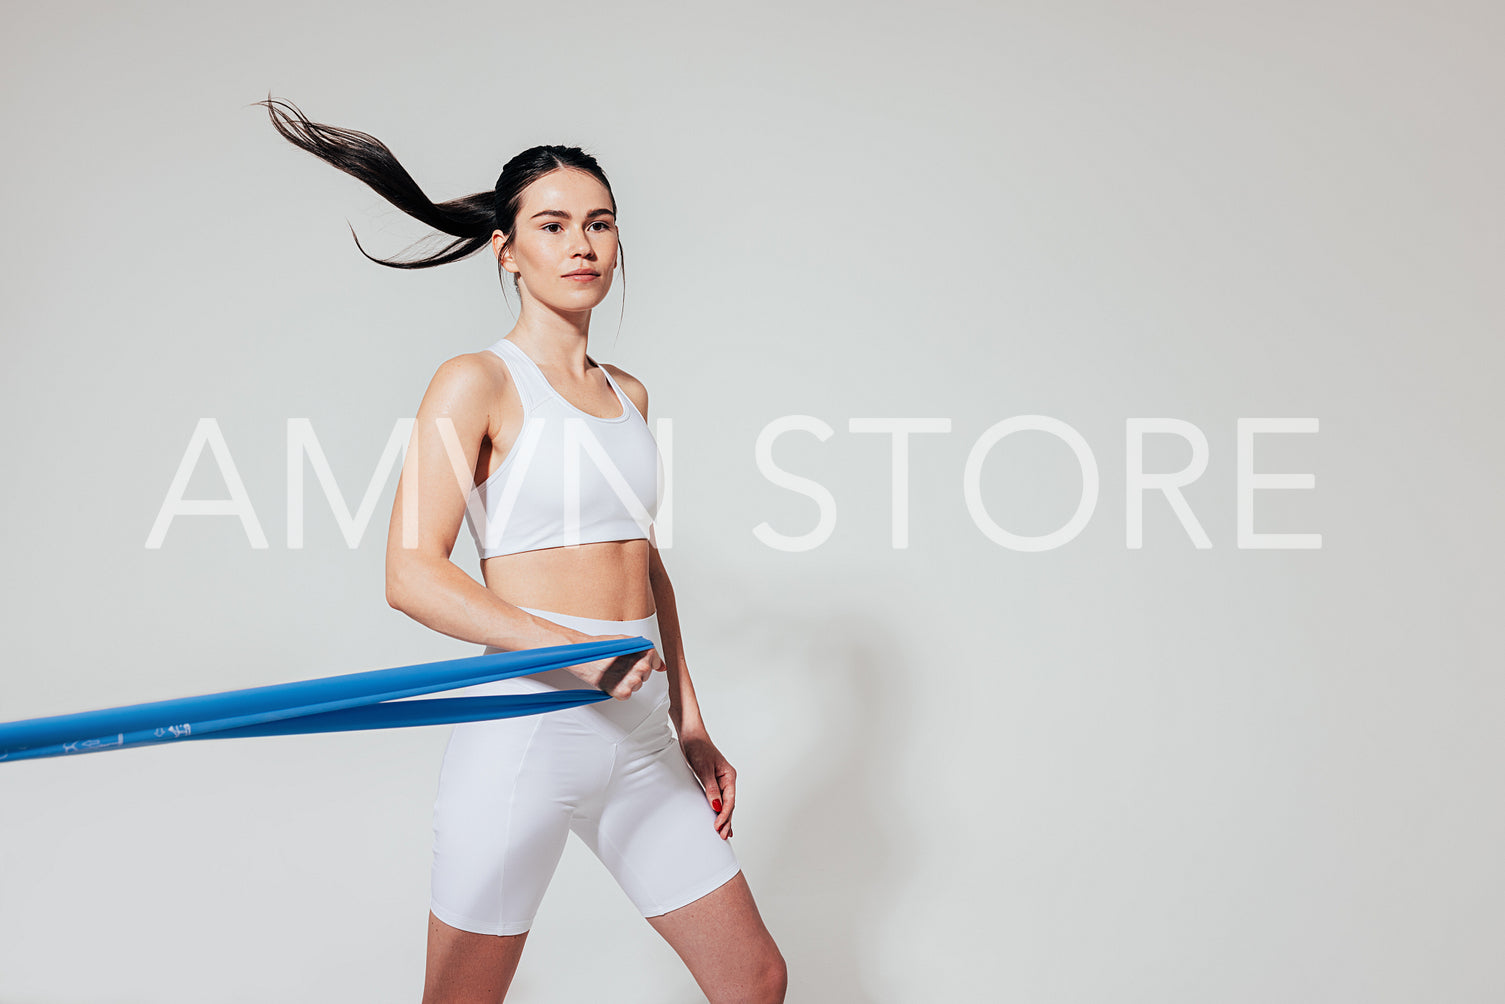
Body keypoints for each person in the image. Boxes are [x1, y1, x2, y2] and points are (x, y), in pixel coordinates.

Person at [258, 96, 787, 1003]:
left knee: (754, 980)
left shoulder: (629, 394)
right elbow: (410, 572)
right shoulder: (475, 382)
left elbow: (644, 563)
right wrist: (571, 654)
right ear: (506, 249)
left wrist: (688, 721)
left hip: (637, 727)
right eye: (553, 225)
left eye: (600, 224)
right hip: (526, 730)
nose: (582, 244)